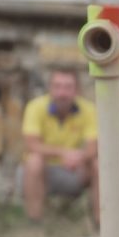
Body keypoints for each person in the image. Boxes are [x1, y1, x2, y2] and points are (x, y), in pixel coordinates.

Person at [20, 68, 99, 224]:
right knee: (34, 160)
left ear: (77, 90)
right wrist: (64, 153)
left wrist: (79, 158)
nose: (62, 93)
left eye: (67, 87)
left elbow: (92, 148)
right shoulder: (35, 107)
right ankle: (34, 223)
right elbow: (31, 145)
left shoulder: (88, 109)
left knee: (97, 164)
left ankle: (101, 224)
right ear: (50, 88)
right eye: (57, 86)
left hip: (75, 169)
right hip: (43, 171)